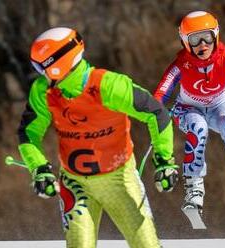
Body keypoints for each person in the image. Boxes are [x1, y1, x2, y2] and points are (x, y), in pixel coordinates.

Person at [17, 27, 178, 248]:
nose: (39, 73)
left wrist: (164, 161)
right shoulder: (43, 91)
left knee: (146, 245)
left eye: (40, 66)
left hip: (119, 180)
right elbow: (28, 133)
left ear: (56, 64)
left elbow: (157, 113)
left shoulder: (108, 85)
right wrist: (39, 168)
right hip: (75, 184)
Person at [153, 11, 225, 221]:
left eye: (207, 37)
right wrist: (156, 111)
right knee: (198, 127)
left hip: (221, 105)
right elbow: (161, 91)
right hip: (188, 108)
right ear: (185, 42)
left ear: (216, 36)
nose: (202, 44)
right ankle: (194, 188)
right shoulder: (181, 64)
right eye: (194, 39)